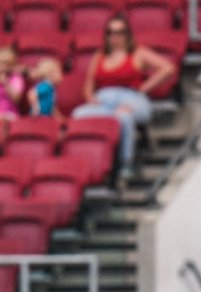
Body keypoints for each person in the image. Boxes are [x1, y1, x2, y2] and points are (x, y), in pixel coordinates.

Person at [73, 17, 176, 181]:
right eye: (111, 33)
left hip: (131, 97)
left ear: (127, 34)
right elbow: (88, 84)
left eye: (120, 32)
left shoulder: (137, 52)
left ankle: (126, 162)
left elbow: (168, 68)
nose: (115, 37)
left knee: (124, 116)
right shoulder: (99, 56)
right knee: (79, 114)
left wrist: (144, 87)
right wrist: (90, 98)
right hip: (104, 100)